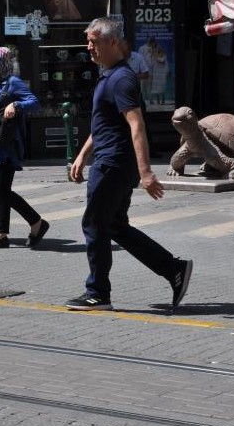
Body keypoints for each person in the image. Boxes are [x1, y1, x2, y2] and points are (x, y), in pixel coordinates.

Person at [66, 17, 193, 311]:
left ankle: (97, 292)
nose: (89, 48)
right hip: (111, 160)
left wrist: (146, 172)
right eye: (88, 42)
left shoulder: (122, 79)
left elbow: (136, 126)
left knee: (94, 224)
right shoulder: (109, 75)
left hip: (113, 164)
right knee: (114, 226)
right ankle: (173, 269)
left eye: (94, 42)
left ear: (112, 42)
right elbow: (105, 125)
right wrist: (84, 154)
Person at [0, 46, 49, 249]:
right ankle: (8, 232)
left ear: (3, 63)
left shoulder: (12, 82)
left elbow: (34, 102)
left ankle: (30, 224)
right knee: (1, 191)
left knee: (2, 191)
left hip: (7, 145)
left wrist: (16, 106)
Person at [123, 39, 159, 158]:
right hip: (122, 95)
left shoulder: (137, 57)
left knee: (142, 122)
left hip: (136, 94)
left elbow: (146, 74)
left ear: (129, 49)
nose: (123, 52)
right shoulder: (117, 58)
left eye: (125, 49)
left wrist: (131, 76)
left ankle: (150, 151)